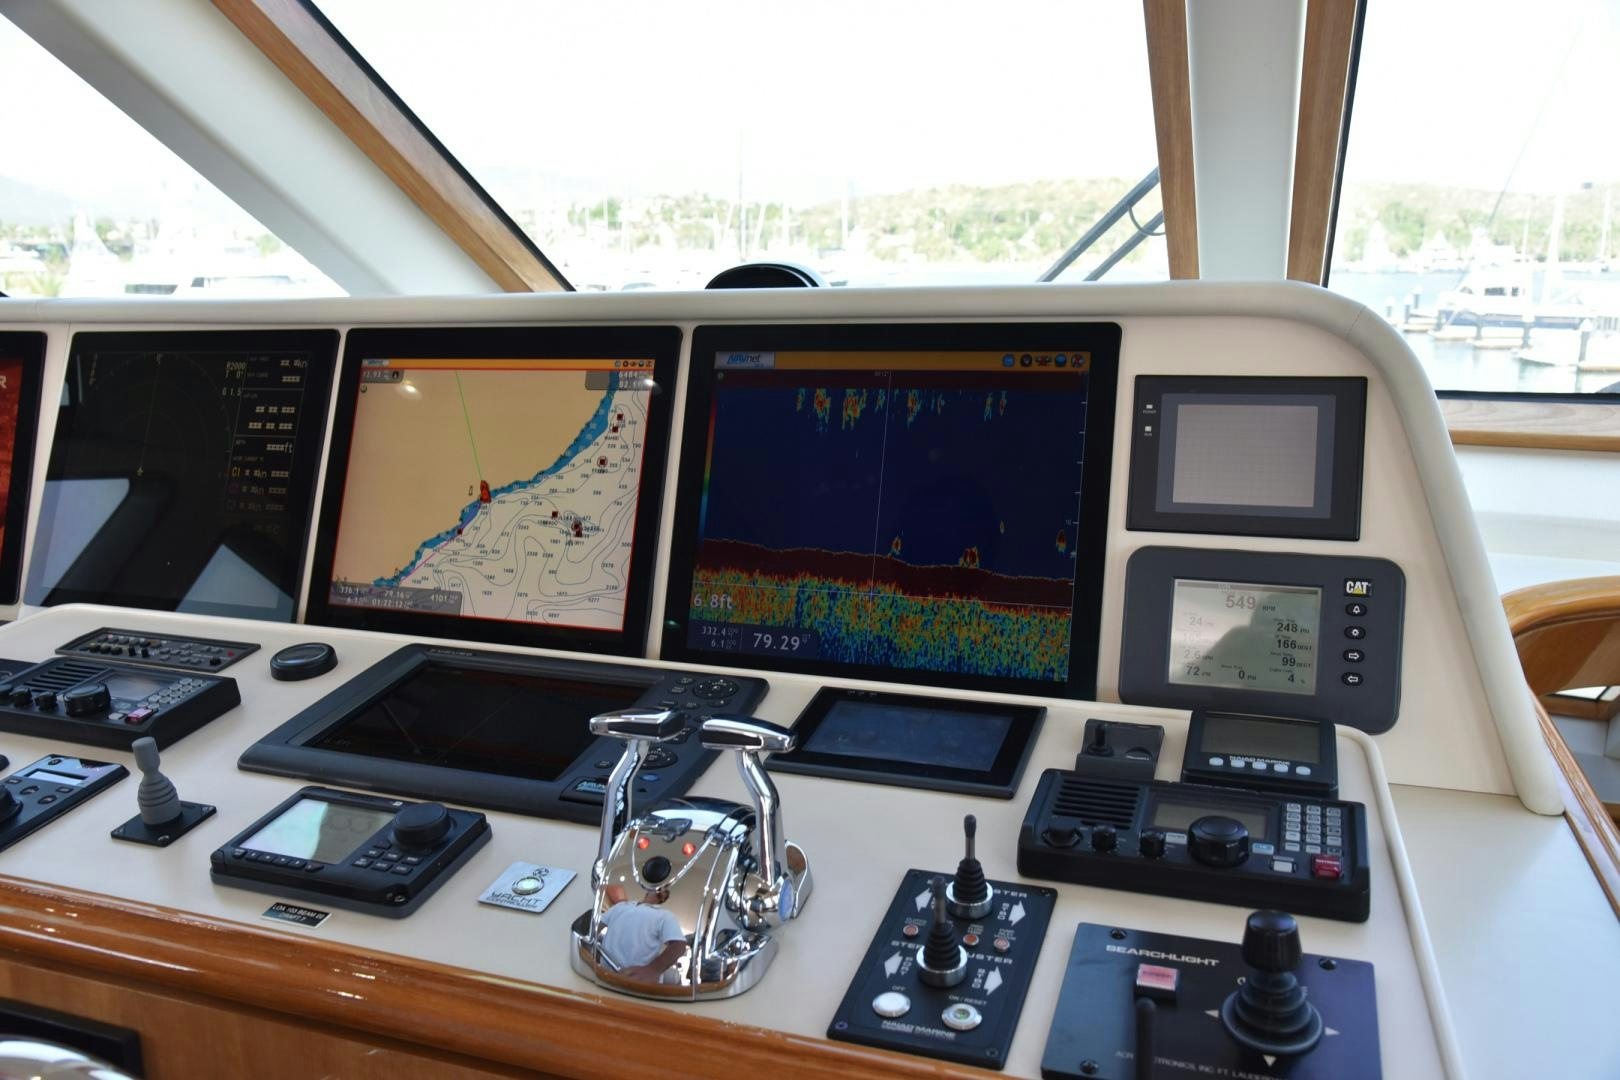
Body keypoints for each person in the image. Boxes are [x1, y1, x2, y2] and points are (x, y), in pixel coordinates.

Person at [599, 880, 688, 982]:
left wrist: (652, 970)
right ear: (649, 888)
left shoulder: (665, 916)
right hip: (604, 975)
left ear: (663, 898)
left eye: (665, 890)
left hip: (637, 983)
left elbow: (679, 945)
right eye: (660, 886)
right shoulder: (621, 906)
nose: (661, 889)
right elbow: (594, 927)